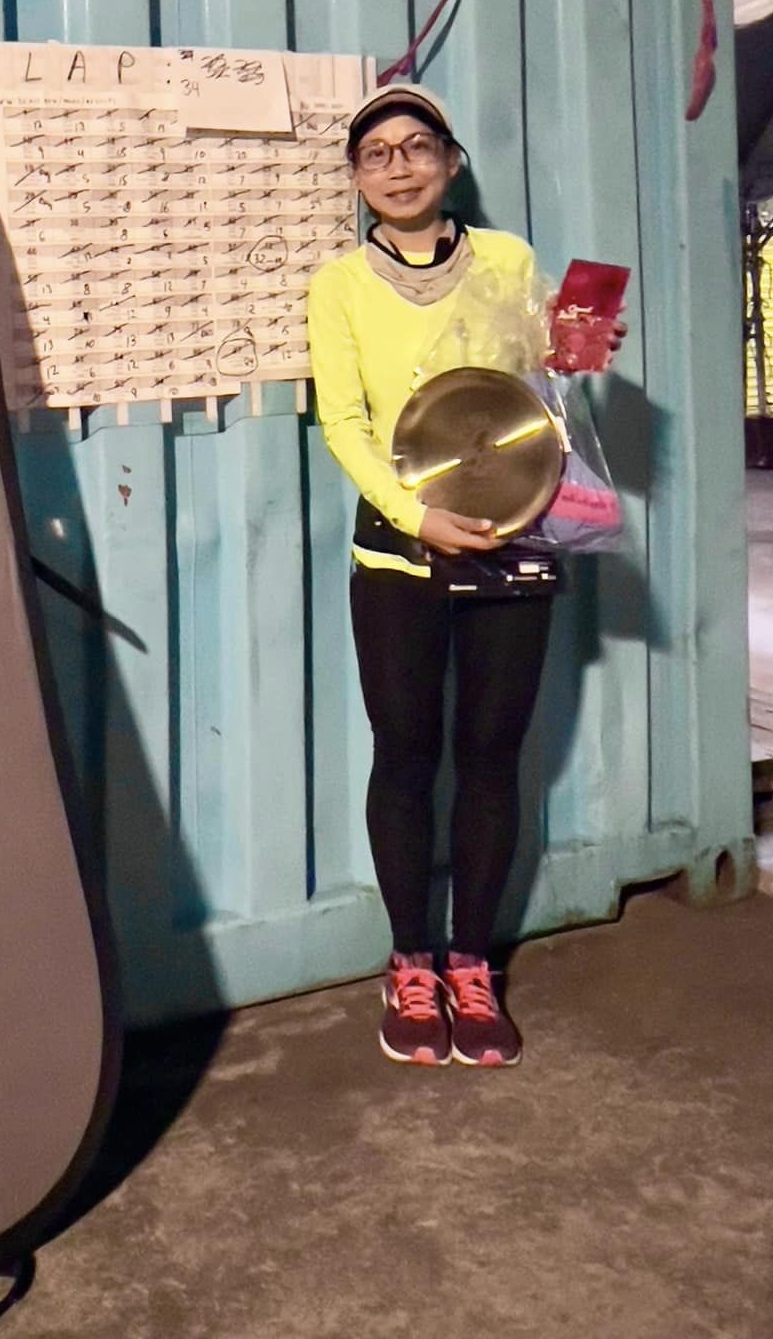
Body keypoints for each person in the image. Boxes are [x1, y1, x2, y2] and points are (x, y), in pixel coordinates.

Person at [307, 82, 610, 1070]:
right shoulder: (339, 284)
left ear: (451, 160)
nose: (398, 166)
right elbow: (343, 422)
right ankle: (410, 963)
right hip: (399, 551)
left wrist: (580, 352)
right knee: (404, 752)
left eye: (416, 146)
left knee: (490, 752)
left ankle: (472, 966)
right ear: (358, 178)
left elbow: (537, 391)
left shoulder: (509, 261)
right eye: (376, 154)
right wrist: (415, 514)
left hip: (514, 535)